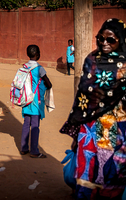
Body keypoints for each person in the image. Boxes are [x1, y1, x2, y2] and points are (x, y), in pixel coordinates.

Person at [60, 18, 126, 199]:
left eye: (110, 39)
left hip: (118, 128)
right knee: (87, 169)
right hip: (89, 126)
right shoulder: (92, 59)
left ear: (120, 39)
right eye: (100, 38)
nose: (104, 43)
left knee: (112, 170)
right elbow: (83, 95)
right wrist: (76, 129)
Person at [20, 44, 52, 158]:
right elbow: (48, 83)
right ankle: (34, 150)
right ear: (38, 55)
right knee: (35, 126)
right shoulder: (39, 69)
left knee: (26, 124)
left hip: (25, 100)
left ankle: (24, 148)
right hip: (35, 101)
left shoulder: (24, 67)